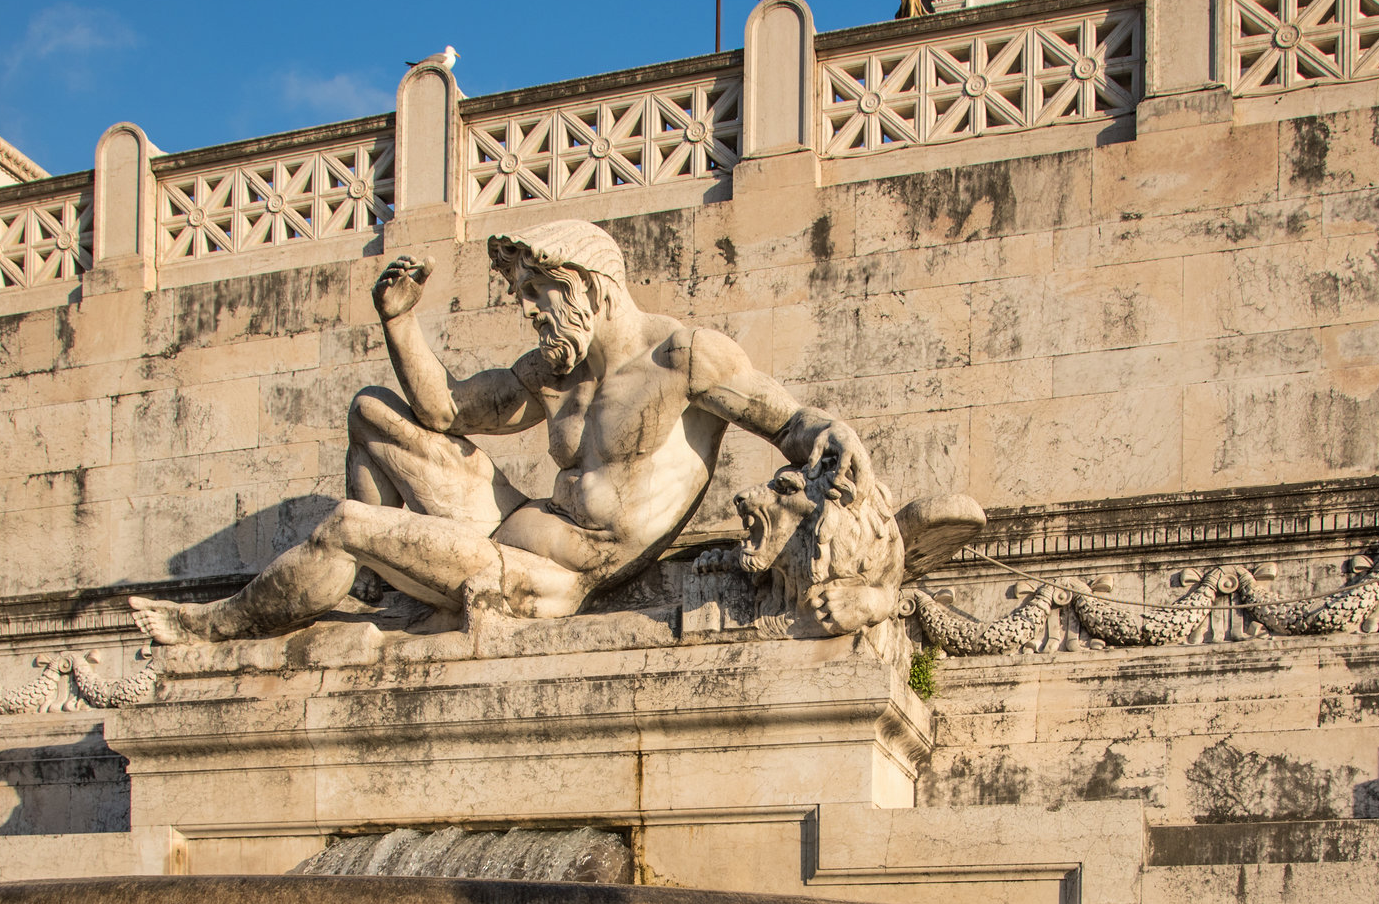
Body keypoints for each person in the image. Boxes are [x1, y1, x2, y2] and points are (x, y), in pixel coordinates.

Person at [129, 220, 886, 643]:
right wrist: (400, 322)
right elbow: (443, 412)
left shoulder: (685, 357)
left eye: (536, 293)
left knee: (349, 525)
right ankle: (391, 592)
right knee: (371, 412)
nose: (528, 311)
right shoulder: (554, 372)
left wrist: (839, 446)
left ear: (586, 286)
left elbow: (792, 423)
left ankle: (213, 627)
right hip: (508, 524)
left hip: (555, 577)